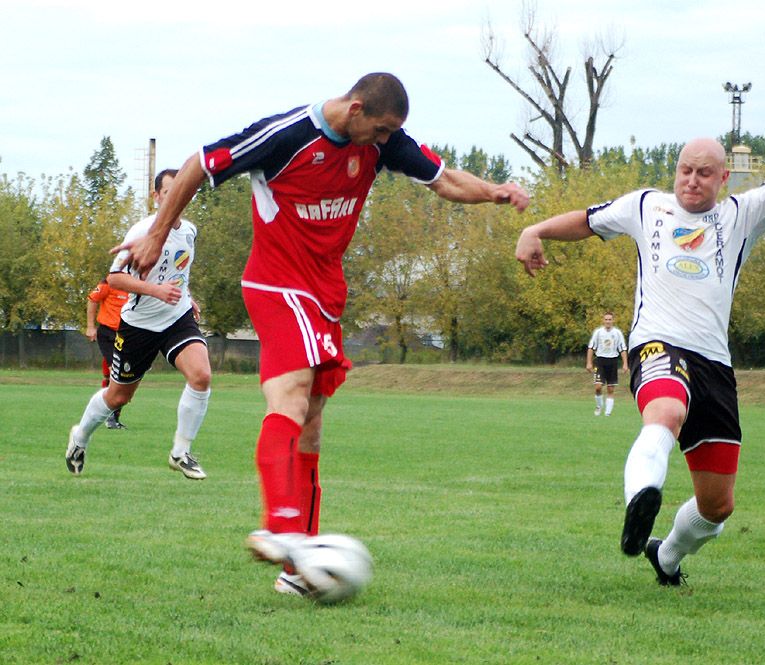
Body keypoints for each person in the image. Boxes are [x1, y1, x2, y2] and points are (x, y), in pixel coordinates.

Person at [115, 73, 529, 597]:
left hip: (325, 291)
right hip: (275, 282)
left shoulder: (383, 143)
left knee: (311, 420)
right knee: (289, 395)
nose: (384, 142)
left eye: (390, 134)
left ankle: (298, 570)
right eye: (378, 130)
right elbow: (199, 163)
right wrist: (157, 234)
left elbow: (443, 179)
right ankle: (281, 526)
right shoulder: (287, 135)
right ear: (355, 109)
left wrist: (495, 192)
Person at [516, 81, 765, 586]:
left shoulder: (742, 215)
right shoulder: (645, 206)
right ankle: (641, 499)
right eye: (684, 170)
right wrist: (536, 230)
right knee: (665, 411)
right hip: (657, 346)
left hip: (715, 366)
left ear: (724, 177)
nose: (692, 181)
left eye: (704, 173)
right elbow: (587, 221)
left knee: (717, 507)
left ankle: (668, 557)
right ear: (674, 171)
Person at [66, 169, 211, 481]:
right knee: (119, 397)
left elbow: (177, 273)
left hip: (177, 318)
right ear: (156, 196)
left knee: (201, 376)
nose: (175, 197)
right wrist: (156, 291)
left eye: (181, 191)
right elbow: (115, 278)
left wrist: (188, 296)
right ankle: (80, 437)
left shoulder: (189, 231)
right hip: (139, 326)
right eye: (168, 192)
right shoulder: (141, 231)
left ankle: (180, 452)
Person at [85, 278, 130, 429]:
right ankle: (110, 417)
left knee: (123, 377)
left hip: (126, 335)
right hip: (108, 334)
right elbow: (92, 299)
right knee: (116, 373)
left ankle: (110, 415)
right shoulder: (109, 283)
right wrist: (90, 327)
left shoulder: (136, 286)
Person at [586, 312, 628, 416]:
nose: (608, 321)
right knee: (598, 387)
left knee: (610, 389)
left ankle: (607, 413)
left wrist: (625, 364)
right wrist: (589, 363)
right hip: (600, 361)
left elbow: (622, 349)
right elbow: (591, 347)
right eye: (606, 319)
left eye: (610, 319)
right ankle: (599, 406)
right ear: (603, 320)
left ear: (613, 321)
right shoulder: (598, 332)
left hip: (612, 361)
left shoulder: (617, 333)